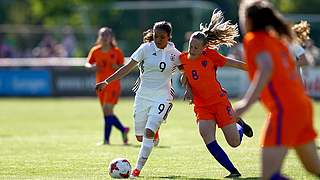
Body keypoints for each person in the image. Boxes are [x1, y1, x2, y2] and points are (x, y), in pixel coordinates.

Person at [235, 1, 320, 179]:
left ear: (249, 20)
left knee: (269, 176)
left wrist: (245, 104)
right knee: (314, 167)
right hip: (302, 106)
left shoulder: (254, 39)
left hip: (285, 111)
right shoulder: (278, 41)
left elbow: (266, 68)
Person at [96, 21, 181, 178]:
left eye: (162, 37)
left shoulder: (175, 53)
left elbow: (187, 70)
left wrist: (190, 88)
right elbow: (127, 68)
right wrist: (106, 81)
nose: (158, 39)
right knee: (140, 137)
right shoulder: (145, 49)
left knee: (148, 132)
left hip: (163, 97)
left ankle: (137, 170)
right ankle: (154, 133)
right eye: (156, 36)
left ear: (169, 37)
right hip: (143, 96)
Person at [179, 9, 253, 178]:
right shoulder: (183, 59)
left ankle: (238, 123)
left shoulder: (210, 55)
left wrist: (254, 68)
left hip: (219, 102)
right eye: (191, 46)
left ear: (205, 47)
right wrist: (188, 90)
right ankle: (233, 171)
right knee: (207, 136)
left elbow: (233, 64)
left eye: (197, 47)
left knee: (234, 143)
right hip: (202, 106)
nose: (193, 49)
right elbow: (186, 76)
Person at [86, 27, 129, 145]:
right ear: (99, 37)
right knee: (107, 113)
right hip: (100, 86)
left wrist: (117, 67)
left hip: (113, 85)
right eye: (102, 35)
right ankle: (123, 129)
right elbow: (87, 63)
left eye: (107, 35)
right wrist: (92, 67)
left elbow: (123, 67)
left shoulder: (116, 52)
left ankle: (106, 140)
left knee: (107, 110)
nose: (104, 38)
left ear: (111, 37)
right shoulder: (95, 50)